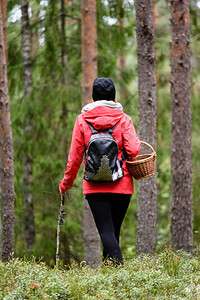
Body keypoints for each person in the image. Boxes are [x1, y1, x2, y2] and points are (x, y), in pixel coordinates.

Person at [59, 78, 141, 265]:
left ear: (93, 97)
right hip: (121, 183)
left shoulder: (82, 121)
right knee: (113, 233)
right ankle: (115, 277)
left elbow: (74, 158)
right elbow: (135, 150)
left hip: (94, 185)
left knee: (107, 232)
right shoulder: (124, 119)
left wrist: (66, 183)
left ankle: (115, 275)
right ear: (113, 98)